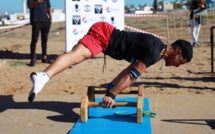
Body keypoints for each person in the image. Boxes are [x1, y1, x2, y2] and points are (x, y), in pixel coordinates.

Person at [28, 21, 193, 108]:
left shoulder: (158, 49)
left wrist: (111, 88)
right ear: (178, 53)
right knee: (75, 57)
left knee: (74, 56)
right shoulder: (156, 52)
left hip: (104, 35)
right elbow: (131, 76)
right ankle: (43, 76)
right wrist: (112, 95)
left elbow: (129, 70)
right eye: (181, 62)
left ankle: (43, 76)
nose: (177, 66)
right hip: (104, 37)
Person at [27, 0, 53, 66]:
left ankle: (44, 58)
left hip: (46, 21)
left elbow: (49, 7)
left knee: (44, 40)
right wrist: (36, 2)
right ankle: (33, 59)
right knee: (34, 40)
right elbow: (29, 6)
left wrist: (51, 18)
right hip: (36, 20)